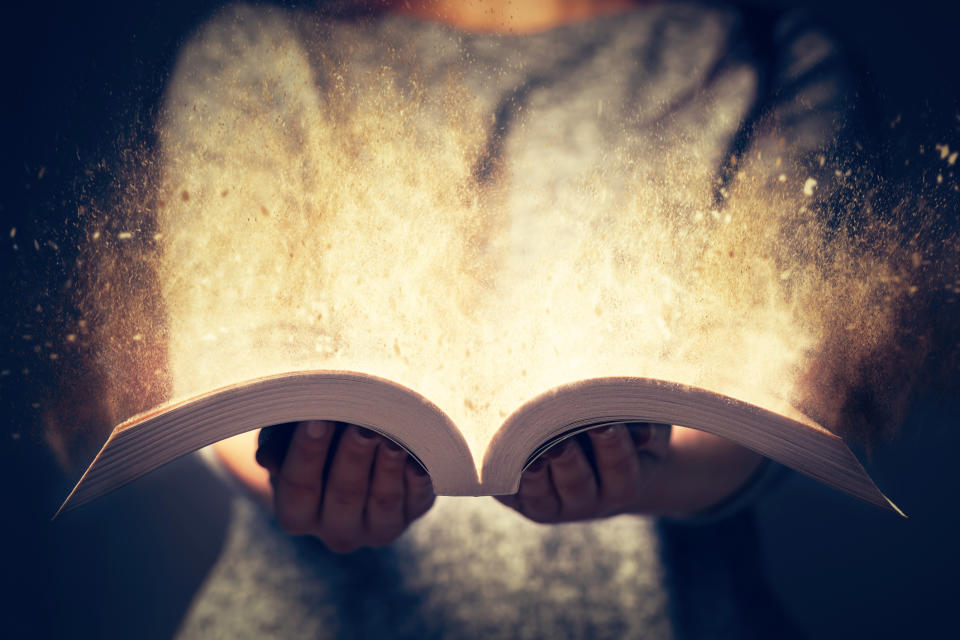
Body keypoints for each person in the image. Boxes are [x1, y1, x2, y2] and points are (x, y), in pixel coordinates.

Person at [157, 0, 858, 636]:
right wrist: (309, 463)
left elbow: (770, 393)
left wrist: (644, 466)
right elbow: (231, 366)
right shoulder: (260, 49)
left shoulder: (772, 50)